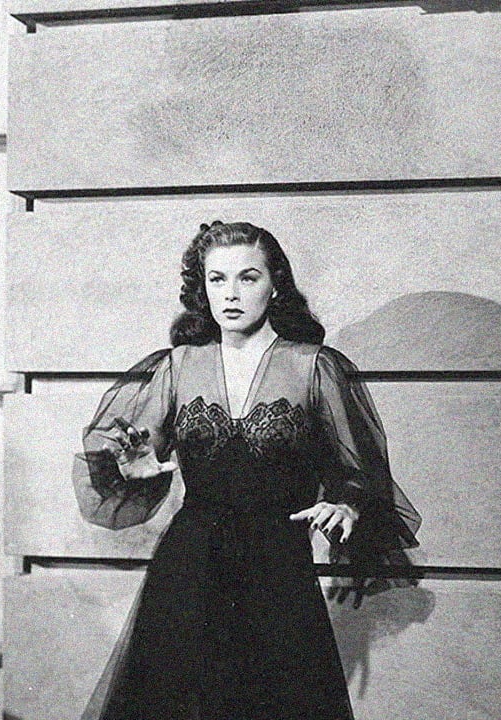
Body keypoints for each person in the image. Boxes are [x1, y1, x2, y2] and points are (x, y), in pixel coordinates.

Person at [73, 221, 420, 720]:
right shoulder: (178, 366)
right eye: (217, 279)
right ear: (203, 287)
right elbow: (123, 460)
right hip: (188, 569)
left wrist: (347, 504)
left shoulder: (313, 367)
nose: (230, 294)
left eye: (247, 278)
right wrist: (137, 470)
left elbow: (359, 472)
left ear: (275, 285)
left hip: (276, 571)